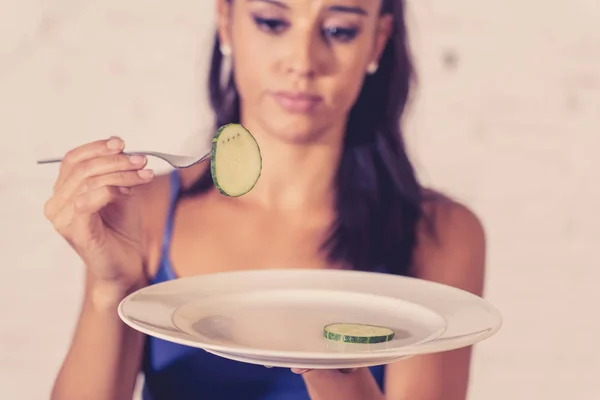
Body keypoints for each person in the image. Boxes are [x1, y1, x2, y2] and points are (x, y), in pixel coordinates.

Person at [43, 0, 486, 399]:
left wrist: (328, 363)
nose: (302, 61)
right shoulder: (141, 210)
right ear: (225, 21)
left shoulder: (441, 234)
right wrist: (110, 288)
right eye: (272, 22)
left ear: (377, 42)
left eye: (339, 30)